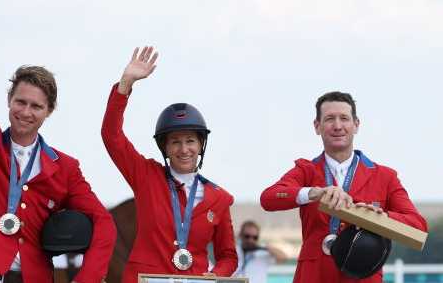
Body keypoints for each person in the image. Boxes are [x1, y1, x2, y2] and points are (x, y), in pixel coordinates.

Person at [0, 7, 116, 283]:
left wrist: (87, 279)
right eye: (20, 102)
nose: (26, 112)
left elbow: (104, 222)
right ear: (9, 100)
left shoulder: (65, 168)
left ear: (49, 111)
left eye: (36, 106)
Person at [101, 47, 238, 282]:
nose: (184, 150)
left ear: (201, 145)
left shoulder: (220, 199)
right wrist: (125, 84)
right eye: (175, 142)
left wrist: (214, 275)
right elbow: (111, 135)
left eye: (190, 141)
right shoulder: (146, 176)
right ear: (165, 148)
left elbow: (228, 256)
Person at [260, 91, 428, 282]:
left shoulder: (385, 177)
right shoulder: (305, 170)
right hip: (313, 275)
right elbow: (268, 198)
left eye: (344, 118)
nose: (338, 126)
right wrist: (313, 193)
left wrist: (381, 217)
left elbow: (419, 226)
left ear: (356, 125)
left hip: (362, 274)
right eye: (330, 119)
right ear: (317, 126)